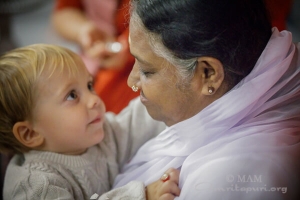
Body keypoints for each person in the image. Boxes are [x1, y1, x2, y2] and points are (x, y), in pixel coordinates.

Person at [113, 0, 300, 199]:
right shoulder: (197, 101)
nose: (132, 81)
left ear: (208, 73)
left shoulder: (226, 182)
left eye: (146, 70)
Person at [0, 44, 181, 199]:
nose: (94, 99)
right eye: (72, 95)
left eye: (89, 86)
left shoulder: (98, 134)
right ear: (30, 133)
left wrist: (167, 93)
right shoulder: (36, 185)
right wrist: (142, 195)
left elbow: (134, 122)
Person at [51, 0, 138, 114]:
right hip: (94, 62)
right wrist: (83, 30)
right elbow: (63, 12)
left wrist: (129, 47)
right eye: (73, 95)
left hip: (140, 61)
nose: (94, 101)